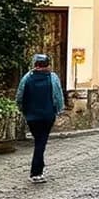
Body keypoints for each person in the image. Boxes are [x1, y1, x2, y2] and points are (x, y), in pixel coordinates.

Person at [16, 54, 64, 183]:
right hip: (47, 116)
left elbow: (20, 96)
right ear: (48, 65)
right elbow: (58, 96)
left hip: (31, 117)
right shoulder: (53, 78)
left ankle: (39, 169)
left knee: (39, 141)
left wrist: (23, 110)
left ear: (35, 65)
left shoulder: (26, 78)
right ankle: (36, 172)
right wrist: (59, 110)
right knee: (40, 143)